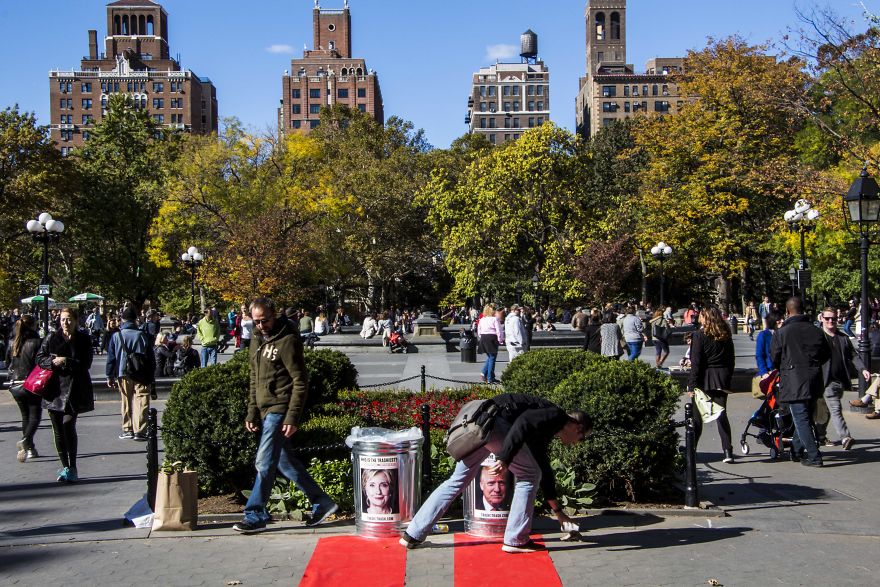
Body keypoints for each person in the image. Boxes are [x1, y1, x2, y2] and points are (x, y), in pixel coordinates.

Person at [399, 393, 591, 554]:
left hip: (483, 425)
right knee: (529, 476)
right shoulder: (556, 415)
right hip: (494, 426)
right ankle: (516, 540)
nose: (577, 443)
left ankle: (413, 534)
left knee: (458, 480)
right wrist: (505, 458)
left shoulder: (548, 427)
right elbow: (522, 423)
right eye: (582, 438)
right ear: (577, 427)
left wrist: (559, 513)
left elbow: (543, 466)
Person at [233, 297, 338, 534]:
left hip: (279, 408)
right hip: (263, 408)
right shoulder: (257, 340)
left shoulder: (288, 340)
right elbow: (254, 379)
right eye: (256, 322)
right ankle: (322, 502)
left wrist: (292, 417)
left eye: (265, 320)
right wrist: (251, 411)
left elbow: (300, 381)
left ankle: (255, 514)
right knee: (283, 462)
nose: (261, 326)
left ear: (275, 314)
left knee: (264, 461)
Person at [771, 297, 832, 467]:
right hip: (814, 378)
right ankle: (796, 451)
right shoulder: (816, 331)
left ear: (788, 310)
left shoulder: (782, 332)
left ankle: (814, 456)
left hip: (793, 379)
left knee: (801, 418)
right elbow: (826, 354)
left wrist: (785, 367)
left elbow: (774, 357)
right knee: (805, 417)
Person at [36, 307, 94, 483]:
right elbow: (39, 358)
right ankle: (65, 467)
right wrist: (52, 362)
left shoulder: (83, 339)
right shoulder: (51, 338)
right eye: (62, 319)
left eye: (69, 319)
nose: (65, 323)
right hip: (54, 390)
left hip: (74, 389)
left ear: (76, 321)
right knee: (58, 430)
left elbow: (87, 363)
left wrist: (67, 361)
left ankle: (73, 466)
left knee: (68, 425)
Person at [687, 306, 736, 463]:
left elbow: (696, 362)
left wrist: (691, 384)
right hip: (721, 377)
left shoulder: (699, 335)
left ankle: (692, 449)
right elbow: (731, 359)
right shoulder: (725, 334)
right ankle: (727, 450)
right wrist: (728, 376)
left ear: (705, 317)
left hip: (703, 378)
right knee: (721, 414)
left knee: (697, 416)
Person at [816, 307, 867, 451]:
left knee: (825, 413)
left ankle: (819, 435)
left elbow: (854, 355)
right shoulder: (817, 337)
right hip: (825, 381)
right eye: (827, 318)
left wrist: (862, 369)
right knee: (836, 408)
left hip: (840, 381)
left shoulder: (843, 338)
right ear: (822, 319)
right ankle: (845, 437)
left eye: (833, 318)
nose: (830, 321)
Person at [106, 306, 156, 441]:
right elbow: (151, 357)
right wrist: (152, 375)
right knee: (141, 399)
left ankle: (127, 429)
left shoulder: (116, 336)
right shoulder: (142, 335)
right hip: (141, 372)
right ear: (135, 320)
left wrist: (109, 375)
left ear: (122, 319)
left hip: (123, 372)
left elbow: (111, 358)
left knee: (126, 401)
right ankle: (140, 430)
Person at [8, 314, 42, 462]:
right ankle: (26, 440)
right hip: (30, 383)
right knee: (35, 415)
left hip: (15, 384)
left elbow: (8, 361)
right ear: (33, 326)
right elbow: (40, 363)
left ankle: (30, 448)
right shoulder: (36, 342)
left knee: (25, 416)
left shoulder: (12, 342)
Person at [477, 304, 504, 384]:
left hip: (484, 337)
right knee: (492, 357)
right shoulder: (494, 319)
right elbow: (499, 330)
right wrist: (500, 339)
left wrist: (481, 337)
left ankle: (484, 373)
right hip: (492, 338)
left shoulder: (482, 319)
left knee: (490, 357)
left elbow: (479, 330)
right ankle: (490, 378)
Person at [755, 312, 782, 378]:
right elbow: (759, 355)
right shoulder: (763, 335)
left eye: (782, 319)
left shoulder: (784, 333)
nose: (782, 321)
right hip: (769, 371)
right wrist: (764, 372)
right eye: (779, 319)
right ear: (773, 321)